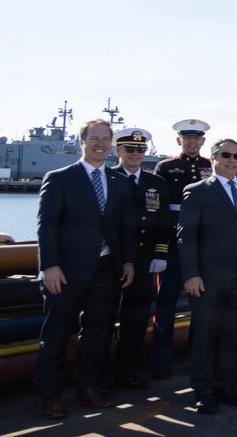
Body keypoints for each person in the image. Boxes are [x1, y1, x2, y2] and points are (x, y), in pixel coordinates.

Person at [36, 119, 136, 419]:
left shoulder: (119, 181)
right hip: (66, 271)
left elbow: (126, 226)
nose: (101, 144)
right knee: (56, 335)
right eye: (95, 138)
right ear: (82, 142)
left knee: (97, 333)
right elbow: (47, 225)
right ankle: (51, 396)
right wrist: (50, 266)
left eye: (106, 139)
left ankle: (87, 388)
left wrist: (128, 261)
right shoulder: (60, 178)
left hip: (107, 269)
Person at [177, 138, 237, 414]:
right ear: (213, 158)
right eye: (226, 155)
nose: (232, 160)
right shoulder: (197, 191)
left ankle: (226, 385)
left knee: (233, 335)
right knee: (205, 336)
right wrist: (191, 275)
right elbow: (186, 236)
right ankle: (203, 390)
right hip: (208, 278)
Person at [108, 128, 171, 391]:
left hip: (144, 262)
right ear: (117, 151)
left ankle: (126, 372)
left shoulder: (155, 183)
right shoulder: (107, 178)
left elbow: (164, 222)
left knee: (135, 322)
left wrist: (160, 254)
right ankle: (98, 376)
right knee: (101, 322)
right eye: (129, 149)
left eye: (140, 150)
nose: (135, 154)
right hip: (110, 261)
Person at [151, 118, 212, 380]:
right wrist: (160, 251)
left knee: (202, 309)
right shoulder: (165, 168)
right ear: (179, 141)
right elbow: (157, 211)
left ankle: (195, 358)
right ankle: (160, 362)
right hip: (173, 247)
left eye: (197, 139)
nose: (192, 143)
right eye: (188, 139)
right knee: (165, 307)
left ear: (203, 141)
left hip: (203, 247)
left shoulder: (211, 166)